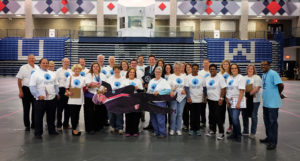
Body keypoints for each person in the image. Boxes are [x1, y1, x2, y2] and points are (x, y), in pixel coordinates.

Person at [29, 58, 59, 139]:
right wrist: (38, 95)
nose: (45, 64)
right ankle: (38, 133)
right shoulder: (35, 73)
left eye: (46, 63)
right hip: (40, 99)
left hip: (51, 99)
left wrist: (56, 94)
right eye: (43, 63)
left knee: (51, 116)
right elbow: (32, 86)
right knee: (38, 117)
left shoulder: (52, 73)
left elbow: (56, 85)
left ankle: (52, 130)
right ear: (40, 64)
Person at [260, 61, 284, 150]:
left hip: (273, 104)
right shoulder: (263, 75)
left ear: (269, 65)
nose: (263, 66)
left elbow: (281, 85)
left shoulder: (273, 73)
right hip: (266, 103)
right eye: (261, 65)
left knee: (273, 123)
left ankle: (273, 142)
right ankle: (269, 138)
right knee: (267, 122)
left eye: (265, 65)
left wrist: (278, 93)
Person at [16, 54, 39, 131]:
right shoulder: (23, 67)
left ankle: (34, 124)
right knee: (26, 108)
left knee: (35, 108)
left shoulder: (37, 68)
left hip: (35, 90)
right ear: (27, 60)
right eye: (30, 58)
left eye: (33, 58)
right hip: (26, 90)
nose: (32, 59)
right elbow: (19, 80)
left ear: (35, 59)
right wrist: (20, 91)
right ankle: (27, 125)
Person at [147, 66, 171, 138]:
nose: (157, 73)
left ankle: (162, 133)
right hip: (151, 102)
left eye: (159, 72)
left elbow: (168, 90)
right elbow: (148, 91)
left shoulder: (163, 81)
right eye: (156, 72)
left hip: (160, 102)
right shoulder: (151, 81)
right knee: (153, 118)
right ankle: (156, 131)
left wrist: (159, 93)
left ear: (161, 73)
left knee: (160, 119)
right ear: (154, 72)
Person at [84, 62, 107, 134]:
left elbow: (106, 85)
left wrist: (104, 90)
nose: (96, 68)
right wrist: (93, 85)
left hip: (100, 95)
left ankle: (98, 127)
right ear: (92, 68)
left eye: (97, 66)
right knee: (89, 112)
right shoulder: (88, 75)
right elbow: (88, 85)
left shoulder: (103, 75)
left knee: (99, 112)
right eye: (94, 66)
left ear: (99, 68)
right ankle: (89, 128)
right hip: (90, 95)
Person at [205, 64, 226, 140]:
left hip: (218, 100)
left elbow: (223, 89)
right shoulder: (207, 78)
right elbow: (206, 89)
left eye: (213, 69)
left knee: (218, 116)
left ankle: (221, 132)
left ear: (216, 70)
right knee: (212, 116)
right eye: (211, 69)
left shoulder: (220, 77)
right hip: (210, 100)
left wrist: (221, 98)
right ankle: (213, 130)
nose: (212, 70)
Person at [226, 64, 246, 142]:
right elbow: (227, 90)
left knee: (235, 118)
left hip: (237, 101)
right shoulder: (229, 78)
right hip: (230, 101)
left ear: (238, 69)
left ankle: (238, 135)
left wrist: (238, 103)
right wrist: (227, 100)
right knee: (232, 119)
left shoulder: (241, 78)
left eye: (235, 68)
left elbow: (242, 91)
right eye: (232, 68)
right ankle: (234, 134)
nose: (233, 69)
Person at [65, 64, 86, 136]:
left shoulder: (83, 78)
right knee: (73, 114)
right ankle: (74, 129)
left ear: (80, 70)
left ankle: (75, 128)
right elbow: (66, 88)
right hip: (72, 98)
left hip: (79, 98)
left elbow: (84, 88)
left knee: (77, 114)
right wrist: (68, 92)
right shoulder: (70, 77)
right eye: (76, 69)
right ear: (73, 70)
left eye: (78, 69)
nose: (77, 70)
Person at [185, 64, 205, 136]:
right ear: (192, 69)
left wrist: (204, 97)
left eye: (196, 68)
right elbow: (186, 88)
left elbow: (204, 88)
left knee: (198, 115)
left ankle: (198, 129)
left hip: (199, 99)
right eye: (194, 68)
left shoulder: (201, 77)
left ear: (198, 69)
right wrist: (188, 97)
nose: (195, 70)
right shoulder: (188, 77)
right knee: (192, 115)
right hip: (191, 99)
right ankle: (192, 129)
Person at [242, 64, 262, 139]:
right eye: (249, 69)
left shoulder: (257, 77)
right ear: (247, 70)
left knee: (253, 116)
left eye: (251, 69)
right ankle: (245, 130)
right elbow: (241, 88)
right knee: (244, 115)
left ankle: (253, 132)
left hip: (255, 100)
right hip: (245, 100)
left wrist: (247, 95)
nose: (250, 70)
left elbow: (257, 88)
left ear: (254, 70)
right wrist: (243, 97)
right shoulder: (244, 78)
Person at [123, 68, 143, 137]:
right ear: (128, 73)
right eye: (130, 72)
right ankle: (128, 131)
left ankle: (135, 131)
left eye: (133, 72)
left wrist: (137, 89)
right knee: (128, 116)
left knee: (136, 116)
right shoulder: (125, 81)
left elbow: (142, 92)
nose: (132, 73)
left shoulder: (138, 81)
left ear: (135, 74)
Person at [168, 62, 187, 136]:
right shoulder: (171, 76)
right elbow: (168, 86)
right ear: (173, 69)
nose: (177, 69)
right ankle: (172, 128)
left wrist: (185, 90)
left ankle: (178, 129)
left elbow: (187, 86)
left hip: (182, 98)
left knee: (179, 113)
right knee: (173, 114)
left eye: (178, 68)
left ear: (181, 68)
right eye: (175, 68)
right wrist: (171, 91)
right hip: (173, 98)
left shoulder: (184, 76)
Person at [55, 58, 72, 131]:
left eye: (67, 62)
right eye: (65, 62)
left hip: (68, 90)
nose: (66, 63)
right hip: (61, 90)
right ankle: (59, 124)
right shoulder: (58, 71)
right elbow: (55, 82)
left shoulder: (71, 71)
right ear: (62, 62)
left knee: (68, 109)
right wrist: (57, 92)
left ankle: (66, 124)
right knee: (60, 109)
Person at [108, 65, 125, 135]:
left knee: (119, 113)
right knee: (111, 114)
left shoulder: (124, 79)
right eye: (115, 69)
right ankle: (112, 126)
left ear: (120, 70)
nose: (117, 71)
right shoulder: (110, 79)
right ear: (113, 71)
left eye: (118, 69)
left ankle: (120, 127)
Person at [219, 60, 232, 134]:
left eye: (227, 64)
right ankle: (222, 125)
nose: (225, 65)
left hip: (230, 95)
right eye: (224, 64)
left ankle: (231, 126)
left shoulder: (232, 73)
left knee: (230, 112)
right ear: (222, 65)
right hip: (223, 95)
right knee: (222, 111)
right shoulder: (220, 74)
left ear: (229, 65)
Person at [198, 58, 210, 128]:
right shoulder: (200, 73)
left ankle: (211, 122)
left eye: (207, 63)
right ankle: (203, 121)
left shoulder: (212, 71)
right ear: (202, 64)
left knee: (211, 109)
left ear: (209, 63)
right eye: (204, 63)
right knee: (202, 108)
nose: (205, 64)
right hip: (203, 92)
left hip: (211, 92)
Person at [183, 63, 192, 131]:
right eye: (187, 68)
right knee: (185, 112)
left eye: (189, 67)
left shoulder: (194, 76)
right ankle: (186, 125)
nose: (188, 68)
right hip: (185, 97)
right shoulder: (184, 76)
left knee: (192, 112)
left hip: (193, 97)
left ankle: (192, 125)